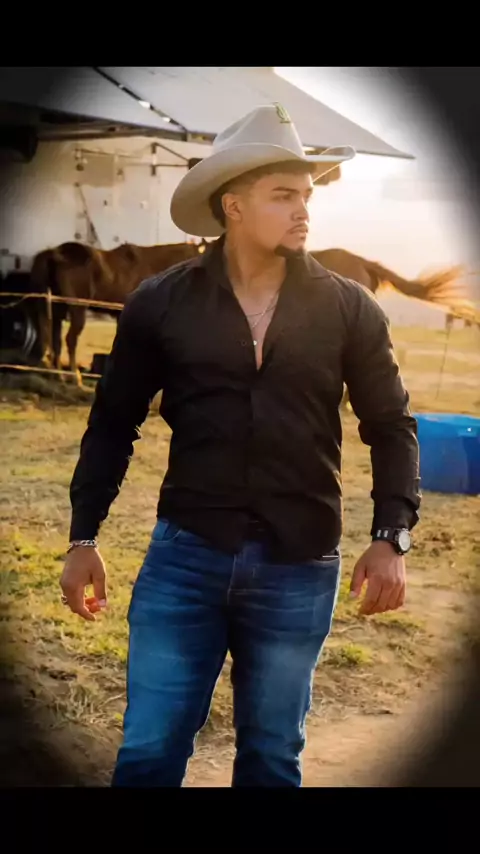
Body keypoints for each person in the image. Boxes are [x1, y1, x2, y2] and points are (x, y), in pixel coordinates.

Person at [59, 103, 421, 787]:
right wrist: (84, 537)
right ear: (233, 206)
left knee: (271, 759)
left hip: (299, 563)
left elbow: (391, 425)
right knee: (148, 753)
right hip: (185, 558)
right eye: (283, 195)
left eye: (306, 196)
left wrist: (391, 534)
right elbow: (111, 425)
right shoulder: (160, 303)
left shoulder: (349, 308)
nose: (303, 211)